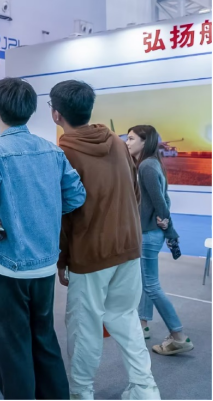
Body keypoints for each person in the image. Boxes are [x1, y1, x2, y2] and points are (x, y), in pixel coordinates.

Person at [0, 78, 86, 400]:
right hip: (44, 266)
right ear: (30, 111)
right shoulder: (52, 151)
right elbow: (76, 196)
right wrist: (43, 213)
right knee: (45, 342)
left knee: (11, 352)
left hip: (5, 269)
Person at [50, 81, 160, 400]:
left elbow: (64, 213)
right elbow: (135, 193)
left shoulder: (63, 153)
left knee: (84, 328)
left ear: (56, 114)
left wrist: (62, 259)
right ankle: (145, 389)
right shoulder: (115, 141)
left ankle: (81, 393)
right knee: (125, 318)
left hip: (90, 254)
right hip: (128, 246)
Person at [127, 125, 194, 356]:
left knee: (151, 285)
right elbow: (163, 198)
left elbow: (161, 202)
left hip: (148, 235)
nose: (127, 142)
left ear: (144, 142)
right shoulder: (150, 163)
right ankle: (143, 324)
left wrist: (168, 227)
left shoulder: (146, 166)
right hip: (149, 233)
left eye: (131, 139)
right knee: (146, 282)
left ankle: (178, 336)